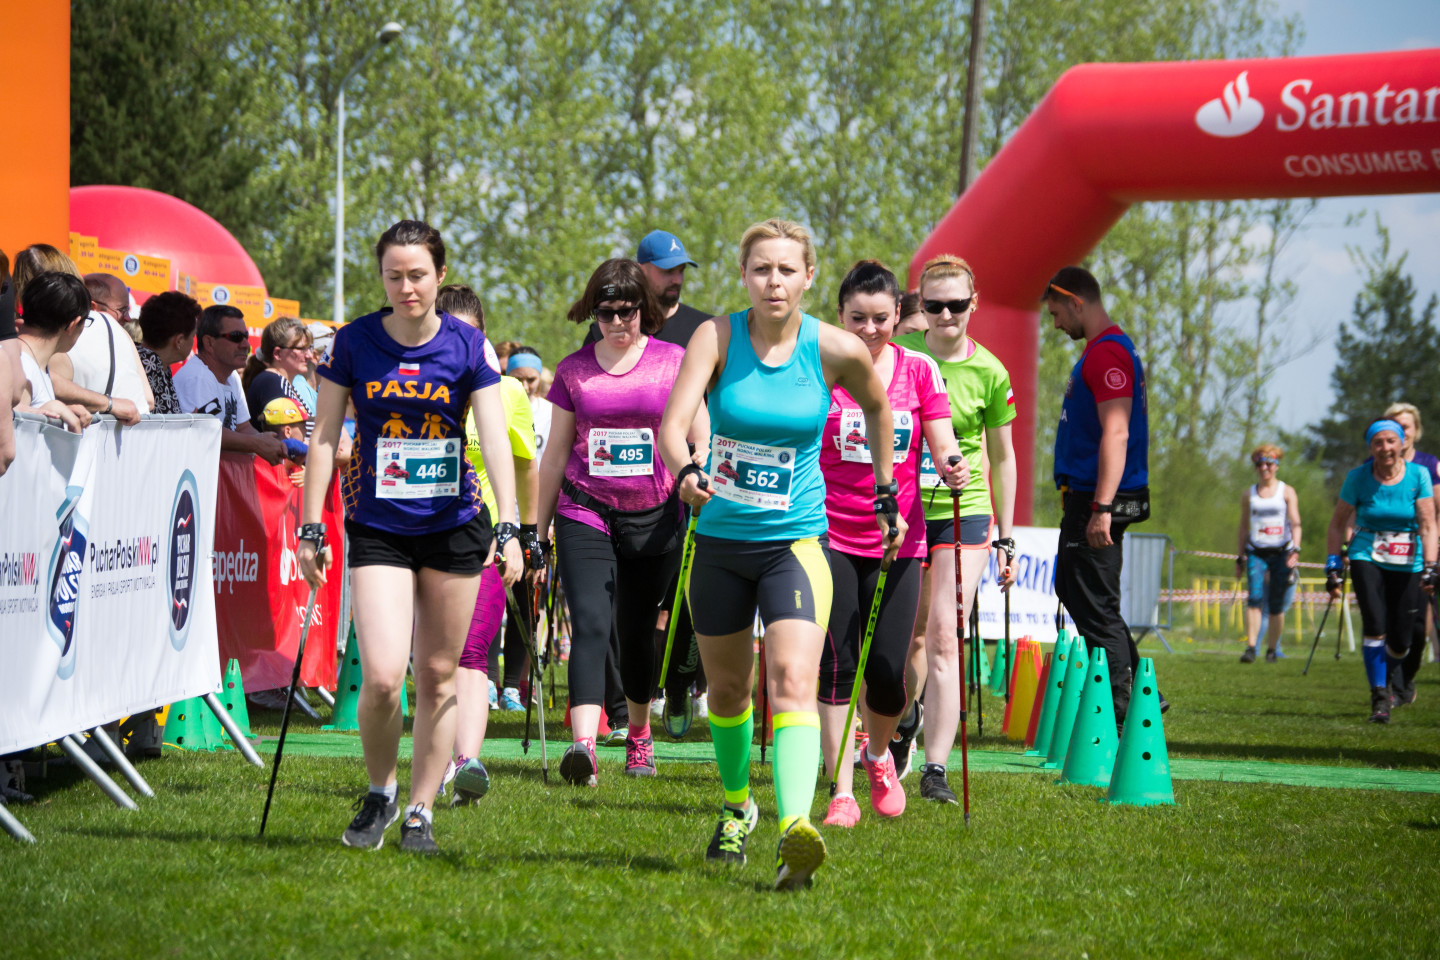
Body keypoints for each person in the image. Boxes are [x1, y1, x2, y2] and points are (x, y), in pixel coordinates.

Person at [659, 218, 896, 891]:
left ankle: (797, 828)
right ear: (744, 275)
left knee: (792, 680)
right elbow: (674, 425)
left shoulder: (834, 348)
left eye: (787, 270)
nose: (774, 281)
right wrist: (684, 472)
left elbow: (878, 407)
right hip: (720, 541)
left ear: (809, 277)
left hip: (795, 540)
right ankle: (739, 806)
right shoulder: (716, 337)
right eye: (762, 269)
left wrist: (885, 489)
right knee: (729, 691)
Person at [299, 219, 523, 854]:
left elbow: (497, 445)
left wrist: (509, 526)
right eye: (393, 276)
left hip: (453, 527)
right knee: (380, 676)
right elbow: (323, 438)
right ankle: (382, 790)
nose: (406, 287)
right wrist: (310, 524)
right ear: (381, 278)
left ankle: (421, 808)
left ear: (440, 276)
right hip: (378, 526)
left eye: (417, 275)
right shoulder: (354, 343)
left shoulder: (468, 347)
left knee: (440, 673)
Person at [537, 258, 709, 784]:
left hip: (655, 516)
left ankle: (638, 734)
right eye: (606, 312)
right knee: (590, 623)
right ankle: (584, 746)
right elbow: (556, 453)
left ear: (645, 309)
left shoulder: (674, 361)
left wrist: (695, 474)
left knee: (636, 634)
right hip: (584, 509)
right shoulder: (572, 371)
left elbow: (698, 432)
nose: (617, 322)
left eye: (627, 311)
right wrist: (534, 529)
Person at [817, 261, 965, 828]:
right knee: (838, 662)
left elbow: (942, 438)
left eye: (881, 318)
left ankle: (878, 755)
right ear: (840, 315)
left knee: (887, 671)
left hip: (897, 539)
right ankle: (841, 789)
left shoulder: (919, 370)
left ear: (899, 316)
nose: (870, 329)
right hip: (829, 533)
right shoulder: (822, 368)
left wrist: (951, 463)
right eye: (858, 318)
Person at [893, 255, 1018, 804]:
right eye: (934, 305)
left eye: (956, 305)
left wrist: (1006, 535)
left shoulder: (990, 371)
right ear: (920, 307)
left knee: (946, 636)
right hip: (899, 509)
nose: (946, 314)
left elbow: (1004, 457)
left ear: (974, 304)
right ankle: (903, 720)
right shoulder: (900, 359)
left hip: (962, 510)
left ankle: (936, 769)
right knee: (905, 638)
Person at [433, 281, 538, 803]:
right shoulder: (417, 384)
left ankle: (466, 764)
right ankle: (436, 762)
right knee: (437, 659)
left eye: (469, 338)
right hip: (425, 540)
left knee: (473, 652)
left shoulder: (507, 391)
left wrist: (523, 532)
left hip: (489, 542)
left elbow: (524, 467)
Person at [1043, 265, 1152, 723]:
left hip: (1097, 497)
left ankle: (1125, 714)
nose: (1055, 324)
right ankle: (1144, 692)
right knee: (1072, 585)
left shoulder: (1107, 354)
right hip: (1088, 495)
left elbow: (1117, 432)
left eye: (1056, 313)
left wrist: (1101, 508)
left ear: (1077, 302)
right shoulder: (1101, 352)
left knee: (1095, 602)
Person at [1325, 419, 1437, 723]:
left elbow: (1428, 525)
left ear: (1402, 443)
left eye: (1390, 441)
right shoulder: (1358, 478)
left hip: (1409, 560)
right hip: (1366, 554)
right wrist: (1333, 563)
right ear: (1370, 447)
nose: (1385, 448)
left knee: (1401, 640)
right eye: (1378, 442)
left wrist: (1431, 566)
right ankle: (1379, 695)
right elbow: (1336, 524)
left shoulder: (1419, 475)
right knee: (1375, 624)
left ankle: (1385, 678)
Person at [1379, 401, 1440, 707]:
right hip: (1385, 553)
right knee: (1389, 619)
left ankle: (1407, 678)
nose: (1401, 432)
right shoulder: (1376, 463)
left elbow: (1437, 511)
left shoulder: (1429, 465)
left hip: (1423, 550)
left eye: (1406, 426)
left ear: (1415, 430)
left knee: (1417, 626)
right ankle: (1389, 685)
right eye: (1395, 426)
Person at [174, 305, 286, 465]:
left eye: (246, 336)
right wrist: (257, 443)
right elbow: (206, 432)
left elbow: (243, 427)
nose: (245, 345)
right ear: (209, 343)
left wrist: (273, 444)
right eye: (235, 337)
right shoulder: (198, 378)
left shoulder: (231, 375)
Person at [48, 273, 154, 419]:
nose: (128, 318)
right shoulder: (117, 333)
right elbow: (147, 401)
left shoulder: (64, 335)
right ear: (93, 307)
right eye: (122, 310)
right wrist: (110, 404)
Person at [1236, 444, 1301, 663]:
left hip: (1282, 552)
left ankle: (1272, 649)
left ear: (1276, 465)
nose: (1264, 468)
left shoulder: (1287, 491)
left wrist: (1296, 550)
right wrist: (1239, 556)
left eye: (1269, 463)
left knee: (1276, 603)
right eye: (1260, 464)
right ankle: (1251, 647)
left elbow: (1296, 523)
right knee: (1254, 598)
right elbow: (1243, 527)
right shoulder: (1249, 494)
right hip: (1257, 552)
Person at [2, 271, 90, 433]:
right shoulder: (23, 366)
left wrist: (53, 412)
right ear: (73, 324)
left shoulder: (28, 361)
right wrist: (50, 409)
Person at [136, 291, 202, 415]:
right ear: (179, 341)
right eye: (193, 336)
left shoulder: (157, 364)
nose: (194, 341)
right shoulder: (151, 364)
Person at [241, 317, 312, 428]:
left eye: (309, 348)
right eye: (301, 349)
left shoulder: (278, 382)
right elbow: (287, 439)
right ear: (278, 353)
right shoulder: (272, 382)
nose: (309, 355)